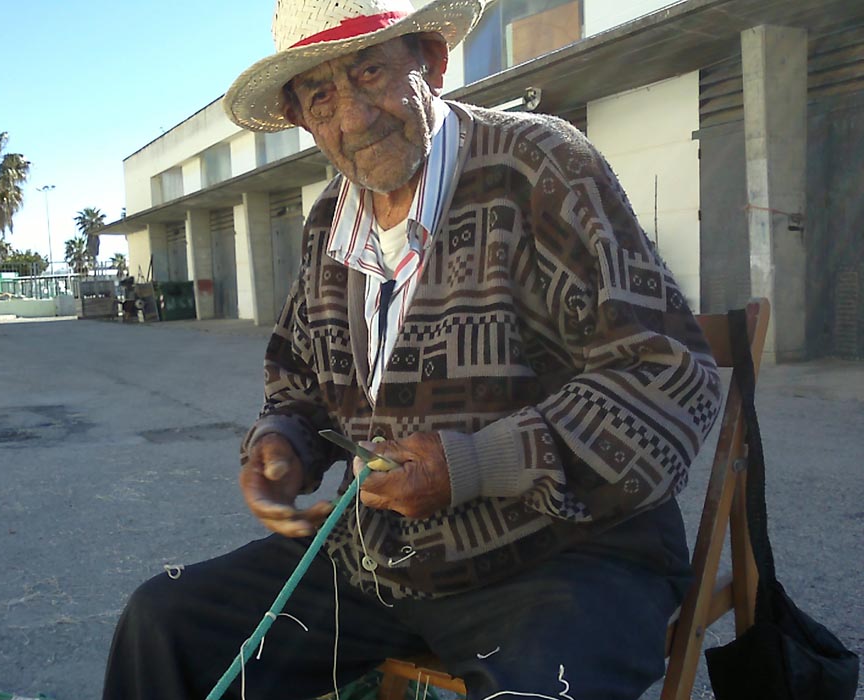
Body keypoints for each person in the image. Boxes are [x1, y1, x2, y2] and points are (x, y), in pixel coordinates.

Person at [102, 1, 724, 698]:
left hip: (564, 561)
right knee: (164, 623)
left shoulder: (540, 165)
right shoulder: (324, 226)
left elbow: (669, 379)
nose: (355, 116)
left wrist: (472, 465)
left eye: (370, 71)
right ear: (303, 120)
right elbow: (299, 383)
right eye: (322, 95)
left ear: (430, 61)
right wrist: (284, 443)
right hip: (380, 566)